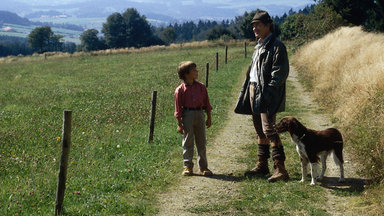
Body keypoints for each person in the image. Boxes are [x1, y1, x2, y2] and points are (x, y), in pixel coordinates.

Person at [234, 10, 290, 182]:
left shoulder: (277, 46)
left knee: (269, 129)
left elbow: (280, 73)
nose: (254, 28)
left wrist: (269, 93)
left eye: (258, 25)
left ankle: (280, 169)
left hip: (265, 92)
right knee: (259, 129)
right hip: (253, 90)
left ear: (268, 25)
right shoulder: (259, 45)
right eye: (253, 25)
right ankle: (262, 165)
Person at [174, 61, 213, 176]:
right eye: (194, 70)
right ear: (186, 74)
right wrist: (179, 123)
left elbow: (207, 103)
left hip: (200, 114)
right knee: (188, 141)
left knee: (201, 141)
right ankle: (188, 166)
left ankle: (203, 167)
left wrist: (209, 117)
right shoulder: (180, 90)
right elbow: (178, 109)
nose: (197, 72)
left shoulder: (201, 87)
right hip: (187, 115)